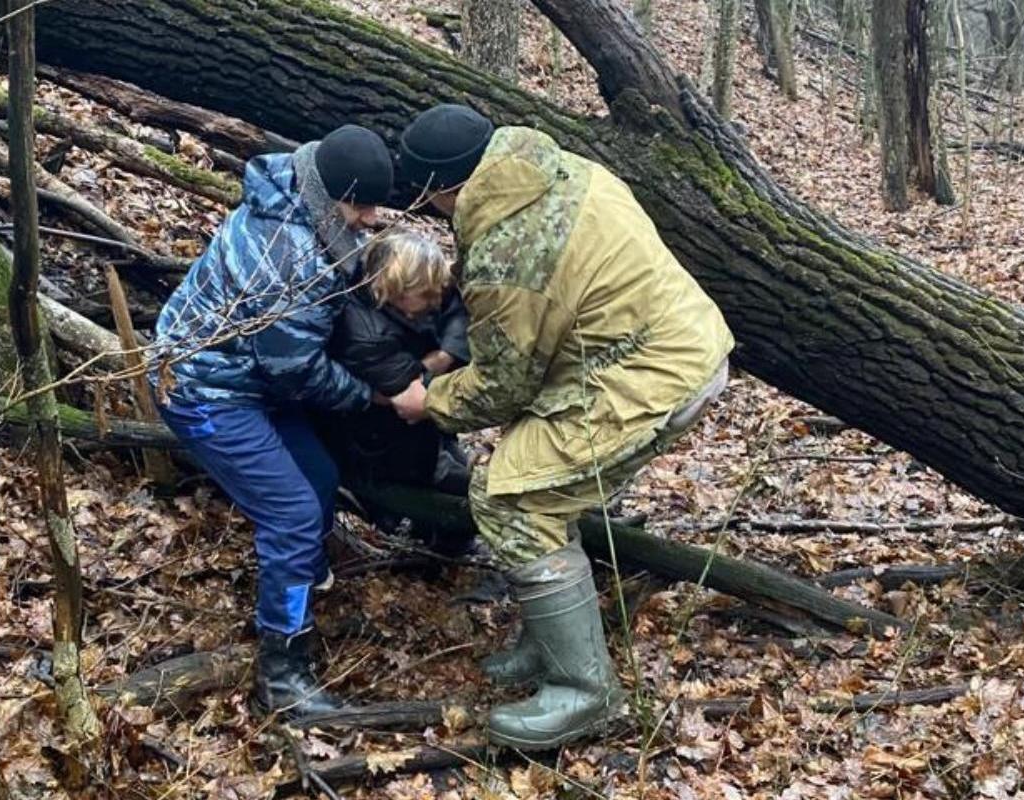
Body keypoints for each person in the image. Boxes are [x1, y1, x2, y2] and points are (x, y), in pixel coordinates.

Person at [390, 104, 735, 749]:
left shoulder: (506, 250)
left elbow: (503, 385)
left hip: (645, 374)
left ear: (442, 189)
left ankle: (586, 692)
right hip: (676, 340)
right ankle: (547, 641)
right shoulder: (559, 167)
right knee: (542, 481)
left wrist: (428, 400)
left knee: (510, 500)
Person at [151, 124, 393, 717]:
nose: (370, 218)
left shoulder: (295, 188)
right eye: (360, 207)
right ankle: (282, 669)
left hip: (247, 377)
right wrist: (373, 399)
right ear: (331, 193)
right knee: (292, 512)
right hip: (204, 390)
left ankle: (302, 585)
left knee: (315, 477)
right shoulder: (289, 258)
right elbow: (296, 370)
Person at [316, 229, 475, 552]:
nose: (435, 302)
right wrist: (439, 364)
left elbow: (455, 308)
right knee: (463, 489)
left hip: (421, 432)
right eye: (426, 295)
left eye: (435, 292)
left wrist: (444, 355)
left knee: (465, 475)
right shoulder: (363, 333)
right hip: (376, 441)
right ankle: (439, 550)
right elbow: (412, 400)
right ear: (392, 289)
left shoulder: (413, 300)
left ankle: (442, 545)